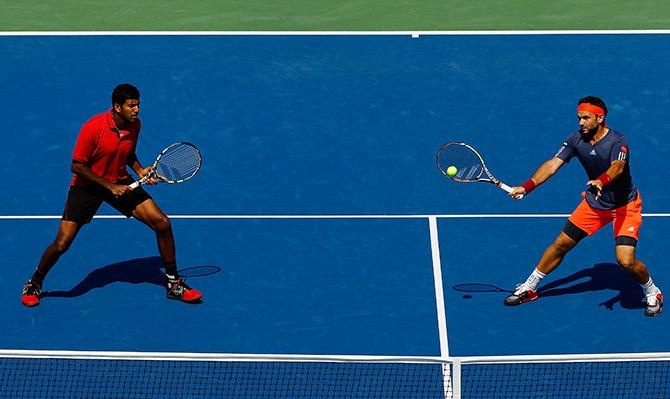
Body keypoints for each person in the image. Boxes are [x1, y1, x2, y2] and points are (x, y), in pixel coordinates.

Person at [21, 83, 202, 307]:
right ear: (117, 107)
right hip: (87, 186)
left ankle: (174, 284)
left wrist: (139, 170)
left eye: (138, 105)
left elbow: (128, 153)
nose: (136, 110)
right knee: (62, 243)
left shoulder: (135, 125)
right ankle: (35, 282)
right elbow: (77, 166)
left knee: (162, 223)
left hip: (119, 180)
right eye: (131, 106)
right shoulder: (92, 128)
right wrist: (109, 186)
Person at [504, 96, 662, 317]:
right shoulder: (575, 140)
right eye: (579, 118)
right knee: (560, 244)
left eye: (586, 118)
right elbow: (552, 165)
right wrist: (526, 186)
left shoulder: (618, 141)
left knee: (625, 261)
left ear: (600, 117)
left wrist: (601, 181)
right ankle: (529, 287)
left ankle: (652, 291)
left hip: (625, 207)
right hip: (595, 206)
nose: (581, 123)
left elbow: (617, 167)